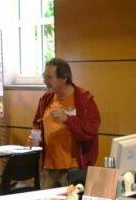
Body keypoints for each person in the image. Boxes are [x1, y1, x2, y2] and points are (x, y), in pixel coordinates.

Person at [31, 58, 101, 188]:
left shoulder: (84, 100)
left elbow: (91, 129)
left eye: (49, 77)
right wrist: (35, 138)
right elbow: (37, 124)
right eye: (44, 76)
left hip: (73, 169)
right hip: (48, 169)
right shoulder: (45, 100)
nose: (45, 81)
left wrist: (68, 120)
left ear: (64, 78)